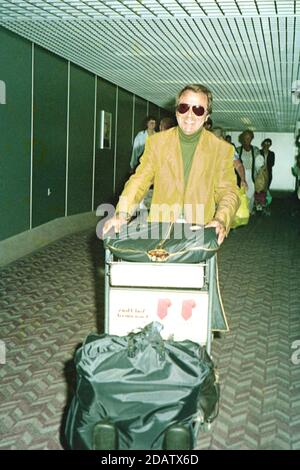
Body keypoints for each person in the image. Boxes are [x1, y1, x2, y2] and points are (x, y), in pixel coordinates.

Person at [103, 84, 239, 245]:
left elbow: (228, 192)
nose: (189, 115)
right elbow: (139, 181)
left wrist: (221, 219)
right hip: (160, 229)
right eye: (184, 107)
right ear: (176, 111)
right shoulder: (156, 143)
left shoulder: (221, 150)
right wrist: (122, 213)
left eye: (198, 110)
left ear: (207, 116)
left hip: (199, 232)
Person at [236, 130, 262, 212]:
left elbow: (260, 163)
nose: (247, 139)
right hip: (241, 175)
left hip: (252, 175)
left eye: (249, 138)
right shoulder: (238, 150)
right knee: (241, 194)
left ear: (252, 139)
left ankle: (249, 211)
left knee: (250, 194)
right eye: (246, 138)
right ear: (242, 139)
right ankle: (241, 211)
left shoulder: (256, 150)